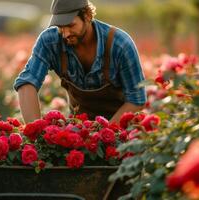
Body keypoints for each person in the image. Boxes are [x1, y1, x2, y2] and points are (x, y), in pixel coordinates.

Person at [14, 0, 146, 124]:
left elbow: (136, 99)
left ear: (87, 15)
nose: (65, 34)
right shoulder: (50, 41)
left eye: (71, 25)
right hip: (77, 129)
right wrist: (36, 133)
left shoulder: (120, 44)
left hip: (121, 132)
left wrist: (105, 134)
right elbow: (27, 82)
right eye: (60, 27)